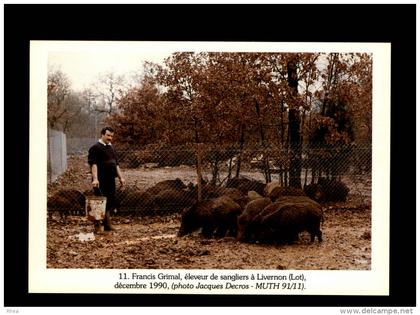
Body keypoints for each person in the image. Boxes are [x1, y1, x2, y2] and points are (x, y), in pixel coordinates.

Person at [88, 127, 125, 233]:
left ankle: (107, 225)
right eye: (108, 135)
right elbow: (93, 164)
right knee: (99, 202)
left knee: (109, 201)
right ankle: (97, 226)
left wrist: (121, 177)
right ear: (102, 134)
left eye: (112, 136)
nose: (110, 138)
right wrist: (95, 179)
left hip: (110, 179)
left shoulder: (111, 147)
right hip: (100, 180)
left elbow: (116, 164)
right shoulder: (95, 148)